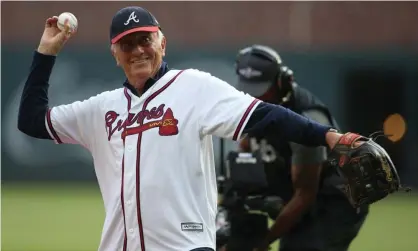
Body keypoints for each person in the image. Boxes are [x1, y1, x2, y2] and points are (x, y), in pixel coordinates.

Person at [18, 6, 353, 251]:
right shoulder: (100, 109)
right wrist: (47, 52)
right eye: (127, 44)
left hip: (186, 245)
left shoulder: (193, 87)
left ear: (162, 43)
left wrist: (330, 137)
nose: (137, 50)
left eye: (144, 40)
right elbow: (32, 120)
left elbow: (267, 115)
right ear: (114, 54)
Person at [231, 45, 369, 251]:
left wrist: (263, 241)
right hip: (297, 192)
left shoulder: (306, 123)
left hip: (334, 202)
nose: (255, 99)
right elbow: (246, 156)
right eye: (249, 91)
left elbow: (305, 193)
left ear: (282, 82)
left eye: (262, 91)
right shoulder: (251, 107)